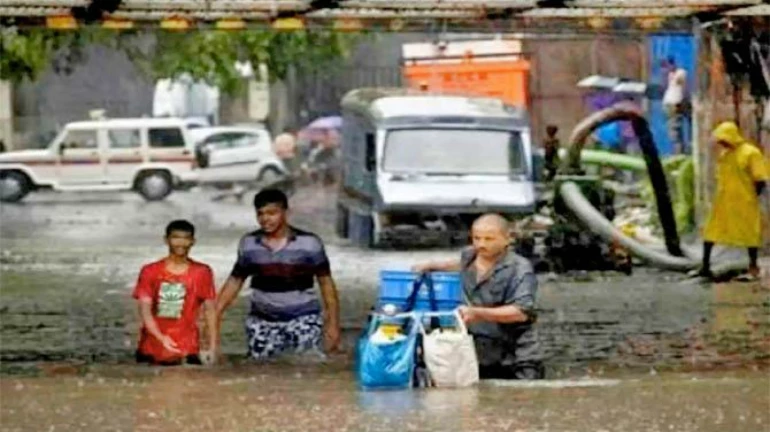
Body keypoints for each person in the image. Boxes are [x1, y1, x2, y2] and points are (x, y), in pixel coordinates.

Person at [412, 213, 544, 380]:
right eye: (477, 238)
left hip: (517, 356)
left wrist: (476, 313)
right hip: (479, 353)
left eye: (489, 239)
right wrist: (433, 266)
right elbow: (459, 265)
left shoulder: (520, 269)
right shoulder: (470, 255)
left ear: (507, 239)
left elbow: (521, 312)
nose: (481, 244)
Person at [215, 189, 342, 359]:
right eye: (260, 214)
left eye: (272, 213)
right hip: (262, 322)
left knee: (307, 369)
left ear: (286, 212)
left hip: (303, 319)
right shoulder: (249, 244)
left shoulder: (310, 243)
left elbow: (326, 283)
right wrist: (215, 314)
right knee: (260, 372)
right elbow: (235, 281)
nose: (265, 219)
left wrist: (333, 323)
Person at [132, 220, 217, 366]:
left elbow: (211, 311)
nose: (181, 243)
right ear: (166, 240)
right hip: (152, 349)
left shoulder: (202, 272)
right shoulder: (150, 271)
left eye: (186, 238)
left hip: (187, 348)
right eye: (176, 237)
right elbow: (145, 311)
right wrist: (161, 337)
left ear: (193, 241)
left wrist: (213, 347)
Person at [700, 121, 769, 281]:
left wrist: (753, 197)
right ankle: (705, 266)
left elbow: (760, 178)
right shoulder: (726, 155)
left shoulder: (751, 153)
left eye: (723, 139)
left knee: (750, 234)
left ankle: (753, 267)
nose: (721, 143)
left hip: (744, 201)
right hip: (724, 201)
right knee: (711, 231)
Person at [661, 56, 689, 154]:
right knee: (673, 133)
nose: (666, 69)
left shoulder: (680, 73)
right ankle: (678, 152)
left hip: (675, 104)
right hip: (669, 104)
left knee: (676, 132)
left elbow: (683, 87)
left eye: (668, 65)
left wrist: (684, 102)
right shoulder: (670, 75)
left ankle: (679, 154)